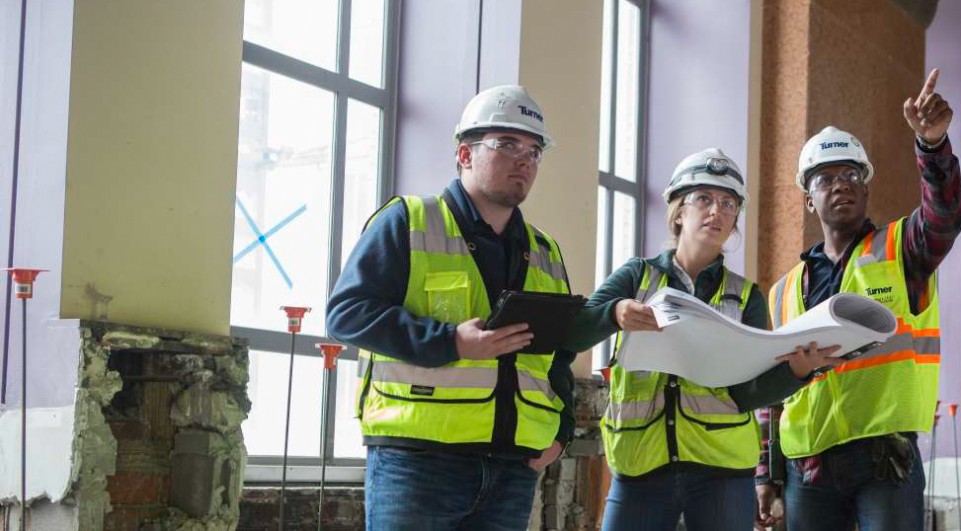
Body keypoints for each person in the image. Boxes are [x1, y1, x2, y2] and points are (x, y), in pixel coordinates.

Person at [326, 85, 575, 531]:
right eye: (507, 145)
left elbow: (560, 352)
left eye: (535, 151)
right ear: (464, 154)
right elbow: (348, 313)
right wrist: (451, 341)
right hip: (418, 462)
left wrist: (562, 432)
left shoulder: (544, 251)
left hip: (512, 467)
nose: (525, 159)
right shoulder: (407, 221)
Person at [564, 148, 839, 531]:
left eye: (728, 204)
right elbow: (574, 332)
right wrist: (614, 313)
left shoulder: (746, 297)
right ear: (679, 211)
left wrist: (796, 371)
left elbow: (747, 393)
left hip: (721, 472)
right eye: (704, 199)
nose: (717, 211)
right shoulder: (636, 278)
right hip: (639, 463)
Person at [755, 69, 961, 530]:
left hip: (883, 462)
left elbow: (945, 216)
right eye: (825, 178)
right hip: (806, 468)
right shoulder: (784, 290)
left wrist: (932, 147)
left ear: (866, 186)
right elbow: (772, 390)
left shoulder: (902, 250)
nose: (841, 184)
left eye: (851, 174)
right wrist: (765, 474)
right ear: (809, 199)